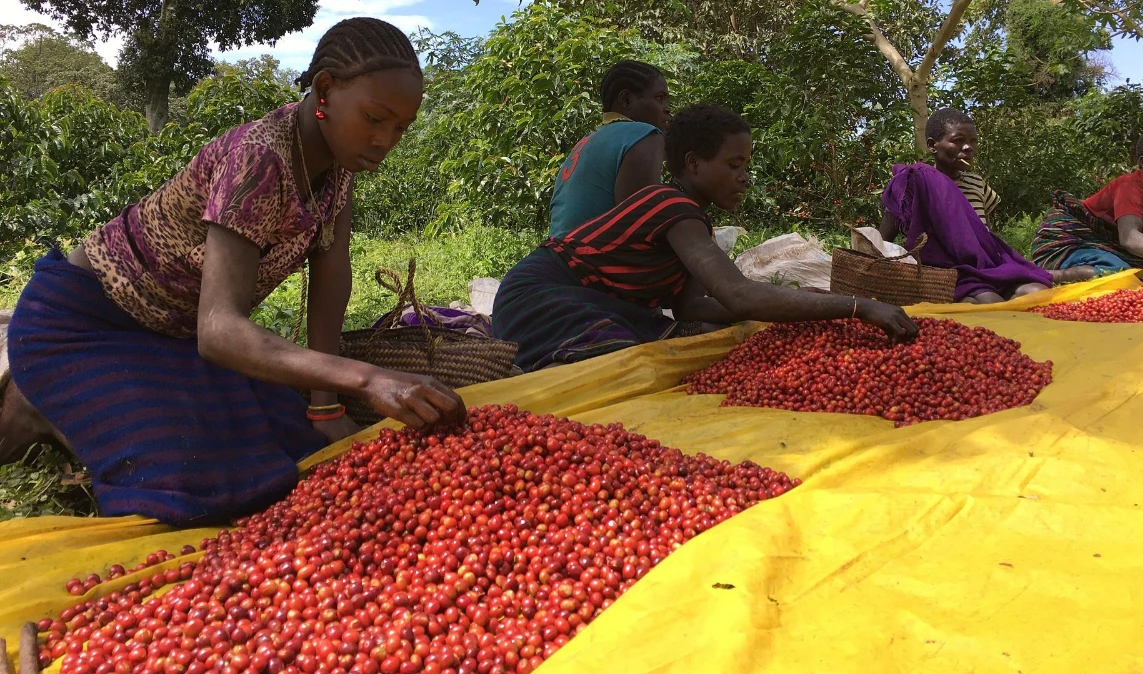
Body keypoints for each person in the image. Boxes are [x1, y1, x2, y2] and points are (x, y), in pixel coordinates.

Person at [5, 18, 466, 527]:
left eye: (400, 128)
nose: (385, 141)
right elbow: (220, 332)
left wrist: (326, 406)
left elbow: (332, 278)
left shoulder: (337, 165)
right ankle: (39, 404)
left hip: (175, 338)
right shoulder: (259, 158)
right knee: (196, 482)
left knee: (288, 450)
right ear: (326, 89)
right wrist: (368, 378)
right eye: (375, 118)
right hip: (86, 323)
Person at [492, 103, 919, 372]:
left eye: (746, 166)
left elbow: (693, 304)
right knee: (625, 363)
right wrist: (857, 307)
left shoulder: (691, 222)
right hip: (539, 297)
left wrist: (799, 304)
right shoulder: (669, 206)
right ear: (694, 164)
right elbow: (738, 295)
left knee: (680, 338)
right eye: (734, 164)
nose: (744, 177)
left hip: (583, 302)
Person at [877, 108, 1088, 304]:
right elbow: (881, 240)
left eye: (973, 141)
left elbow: (983, 234)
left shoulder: (977, 183)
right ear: (933, 146)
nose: (968, 148)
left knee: (1038, 292)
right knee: (989, 302)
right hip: (948, 273)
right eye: (958, 141)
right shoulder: (915, 184)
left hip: (986, 267)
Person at [1031, 129, 1143, 279]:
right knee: (1119, 272)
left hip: (1105, 247)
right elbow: (1130, 238)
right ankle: (1047, 275)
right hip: (1067, 241)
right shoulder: (1131, 186)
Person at [547, 60, 672, 239]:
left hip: (556, 256)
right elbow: (641, 227)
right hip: (590, 260)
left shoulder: (587, 141)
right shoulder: (643, 134)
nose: (667, 109)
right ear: (626, 100)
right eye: (659, 98)